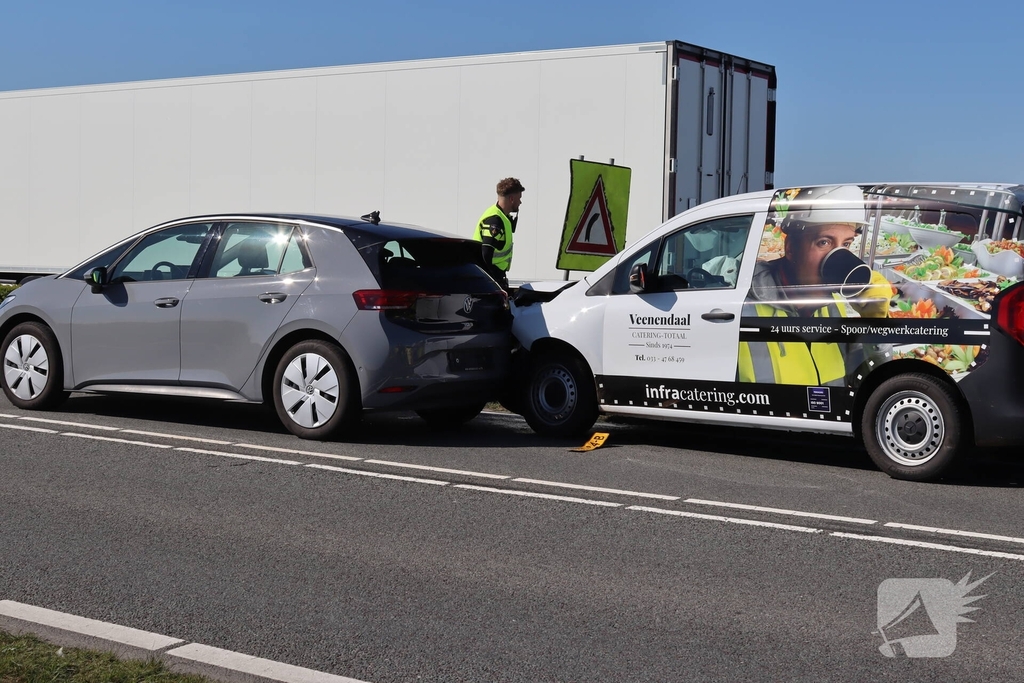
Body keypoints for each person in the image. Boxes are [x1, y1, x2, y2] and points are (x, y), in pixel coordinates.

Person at [738, 184, 894, 386]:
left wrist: (876, 326)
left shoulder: (837, 306)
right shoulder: (742, 308)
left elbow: (870, 382)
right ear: (791, 248)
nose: (837, 257)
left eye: (846, 244)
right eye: (824, 242)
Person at [474, 177, 524, 291]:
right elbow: (486, 254)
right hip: (489, 280)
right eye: (519, 198)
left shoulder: (502, 217)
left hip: (494, 277)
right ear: (511, 199)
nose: (520, 202)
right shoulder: (495, 221)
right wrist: (493, 283)